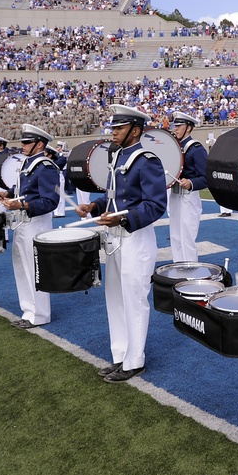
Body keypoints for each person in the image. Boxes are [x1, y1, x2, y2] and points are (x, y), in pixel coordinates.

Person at [76, 105, 167, 383]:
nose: (113, 133)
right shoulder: (117, 157)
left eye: (119, 128)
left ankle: (135, 360)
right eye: (113, 128)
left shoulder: (146, 159)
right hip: (115, 237)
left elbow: (156, 205)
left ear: (135, 131)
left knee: (134, 299)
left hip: (135, 237)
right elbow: (115, 196)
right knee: (115, 297)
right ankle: (120, 355)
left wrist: (122, 220)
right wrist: (94, 205)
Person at [0, 124, 60, 328]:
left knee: (34, 269)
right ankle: (28, 311)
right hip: (23, 220)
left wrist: (22, 204)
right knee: (22, 268)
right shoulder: (29, 164)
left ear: (39, 144)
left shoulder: (46, 167)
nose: (22, 145)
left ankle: (40, 314)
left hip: (36, 222)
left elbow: (50, 201)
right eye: (22, 141)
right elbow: (24, 188)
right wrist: (8, 193)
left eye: (26, 142)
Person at [168, 111, 208, 262]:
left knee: (187, 239)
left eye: (179, 126)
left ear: (189, 128)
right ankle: (178, 268)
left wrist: (191, 183)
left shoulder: (196, 149)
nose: (176, 129)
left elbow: (206, 178)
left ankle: (191, 272)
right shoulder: (175, 147)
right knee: (176, 237)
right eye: (175, 125)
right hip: (175, 196)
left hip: (188, 197)